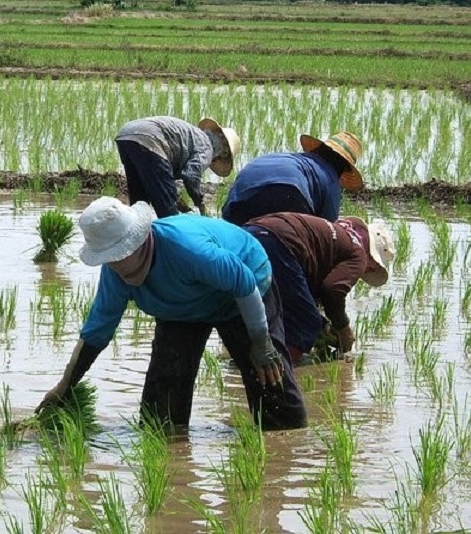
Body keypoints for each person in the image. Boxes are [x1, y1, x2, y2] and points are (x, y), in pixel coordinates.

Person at [36, 197, 307, 431]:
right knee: (161, 407)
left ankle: (287, 449)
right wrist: (64, 387)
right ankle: (172, 456)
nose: (115, 264)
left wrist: (261, 342)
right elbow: (97, 331)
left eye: (119, 255)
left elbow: (244, 283)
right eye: (108, 258)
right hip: (181, 310)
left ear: (139, 241)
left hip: (241, 295)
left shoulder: (188, 249)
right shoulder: (115, 274)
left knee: (269, 380)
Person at [243, 213, 395, 366]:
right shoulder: (359, 253)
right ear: (373, 263)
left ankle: (243, 363)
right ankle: (277, 372)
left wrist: (324, 325)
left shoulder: (339, 236)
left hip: (251, 232)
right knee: (306, 323)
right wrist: (343, 328)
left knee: (261, 308)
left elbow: (302, 294)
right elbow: (332, 291)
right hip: (279, 243)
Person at [221, 132, 363, 225]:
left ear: (317, 149)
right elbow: (327, 231)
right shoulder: (330, 178)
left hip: (243, 190)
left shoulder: (292, 159)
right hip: (288, 192)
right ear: (343, 168)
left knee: (236, 248)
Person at [116, 116, 241, 218]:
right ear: (222, 154)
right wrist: (200, 203)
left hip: (126, 134)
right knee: (169, 214)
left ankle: (140, 244)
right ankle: (169, 244)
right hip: (151, 139)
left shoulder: (195, 136)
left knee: (139, 203)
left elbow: (160, 178)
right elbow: (191, 176)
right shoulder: (207, 148)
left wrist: (176, 198)